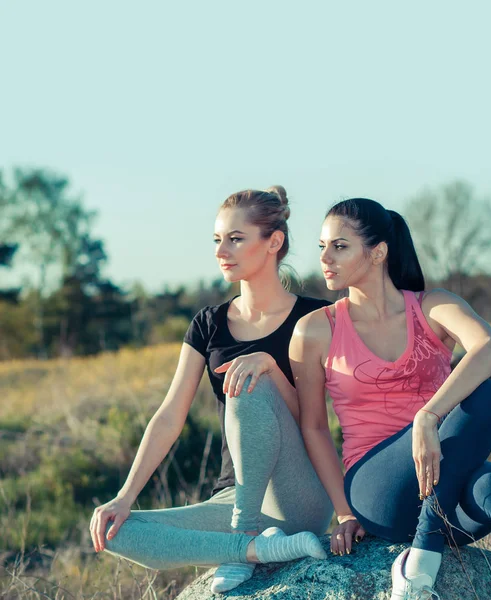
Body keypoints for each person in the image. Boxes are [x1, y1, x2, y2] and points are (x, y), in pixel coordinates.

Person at [290, 197, 491, 600]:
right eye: (322, 247)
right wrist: (345, 512)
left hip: (444, 487)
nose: (325, 258)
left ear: (378, 252)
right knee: (485, 404)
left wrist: (428, 417)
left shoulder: (432, 306)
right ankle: (423, 555)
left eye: (339, 246)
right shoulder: (317, 329)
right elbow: (313, 427)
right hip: (378, 488)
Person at [89, 186, 333, 593]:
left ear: (273, 242)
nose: (222, 250)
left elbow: (313, 423)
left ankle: (242, 538)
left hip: (298, 492)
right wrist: (124, 495)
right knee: (114, 530)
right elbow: (169, 415)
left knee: (247, 383)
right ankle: (254, 550)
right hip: (233, 497)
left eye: (236, 239)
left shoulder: (315, 317)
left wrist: (270, 368)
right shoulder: (208, 324)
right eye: (218, 240)